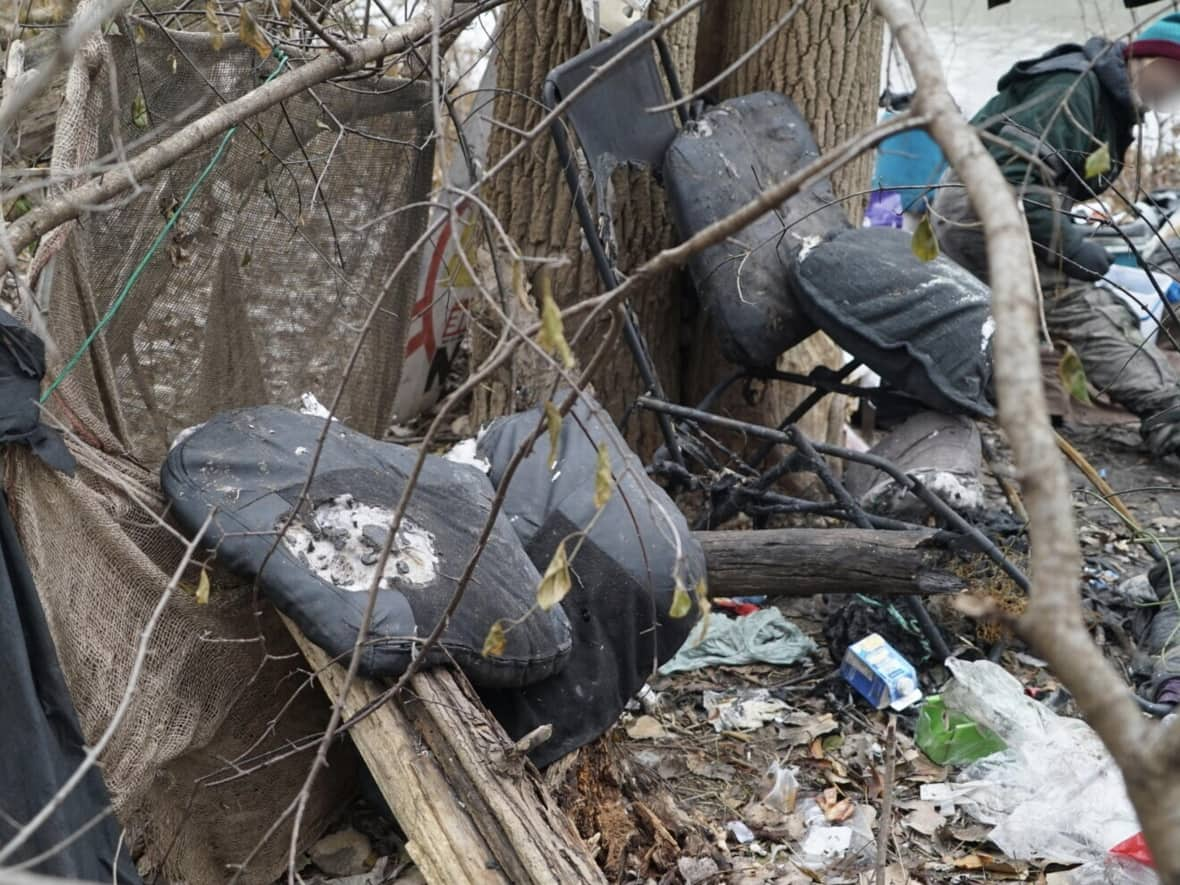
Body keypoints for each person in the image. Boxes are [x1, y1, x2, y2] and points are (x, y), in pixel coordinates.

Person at [931, 15, 1180, 456]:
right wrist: (1069, 248)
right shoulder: (1073, 89)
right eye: (1175, 76)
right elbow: (1018, 174)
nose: (1174, 92)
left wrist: (1074, 233)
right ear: (1150, 58)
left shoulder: (1105, 93)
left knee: (1093, 301)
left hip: (998, 204)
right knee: (1071, 305)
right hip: (980, 207)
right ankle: (1167, 410)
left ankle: (1156, 398)